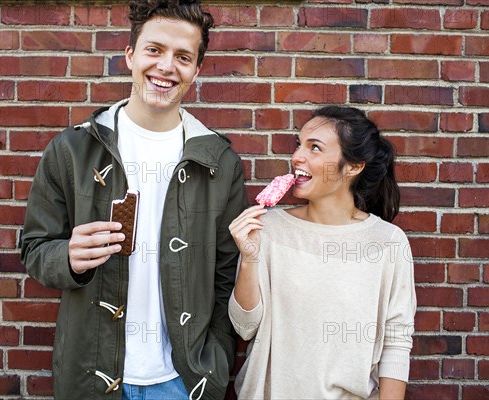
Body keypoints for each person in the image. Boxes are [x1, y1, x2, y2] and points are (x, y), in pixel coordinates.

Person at [21, 1, 247, 399]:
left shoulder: (219, 162)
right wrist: (68, 258)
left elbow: (227, 275)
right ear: (130, 56)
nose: (166, 67)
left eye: (182, 57)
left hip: (182, 379)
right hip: (92, 374)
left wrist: (216, 357)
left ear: (196, 69)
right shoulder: (73, 149)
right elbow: (35, 249)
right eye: (154, 50)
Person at [228, 106, 417, 400]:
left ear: (353, 166)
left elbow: (396, 340)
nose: (297, 157)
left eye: (314, 148)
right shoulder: (267, 228)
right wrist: (249, 259)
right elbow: (244, 327)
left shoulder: (388, 242)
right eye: (298, 145)